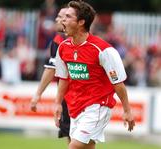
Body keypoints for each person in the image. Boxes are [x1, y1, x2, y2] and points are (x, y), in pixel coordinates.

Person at [54, 1, 135, 149]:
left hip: (97, 106)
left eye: (68, 16)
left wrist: (127, 110)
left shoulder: (103, 50)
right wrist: (58, 103)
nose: (62, 20)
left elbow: (118, 83)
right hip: (75, 107)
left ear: (81, 22)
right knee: (87, 147)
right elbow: (64, 78)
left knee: (74, 146)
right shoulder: (63, 48)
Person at [30, 6, 70, 142]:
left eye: (61, 16)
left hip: (82, 97)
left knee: (80, 139)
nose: (57, 19)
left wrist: (38, 94)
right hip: (68, 97)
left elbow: (50, 69)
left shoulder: (82, 41)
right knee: (71, 135)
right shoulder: (58, 40)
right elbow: (51, 68)